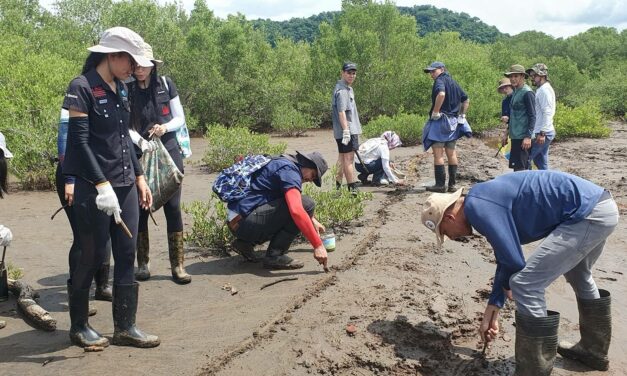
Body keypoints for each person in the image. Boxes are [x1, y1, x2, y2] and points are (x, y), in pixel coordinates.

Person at [421, 170, 618, 374]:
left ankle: (534, 371)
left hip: (586, 215)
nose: (450, 238)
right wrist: (493, 307)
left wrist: (507, 286)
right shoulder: (481, 199)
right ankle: (593, 352)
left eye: (444, 232)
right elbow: (505, 257)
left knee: (525, 284)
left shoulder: (477, 208)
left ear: (450, 217)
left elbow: (514, 262)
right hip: (601, 206)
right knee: (579, 275)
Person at [62, 27, 159, 348]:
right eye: (131, 61)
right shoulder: (82, 87)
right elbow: (79, 141)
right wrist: (100, 184)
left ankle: (125, 326)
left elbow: (125, 137)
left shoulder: (123, 89)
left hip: (126, 183)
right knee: (91, 254)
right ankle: (78, 327)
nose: (135, 69)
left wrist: (140, 176)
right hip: (94, 188)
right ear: (112, 55)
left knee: (127, 252)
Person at [128, 42, 191, 284]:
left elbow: (179, 118)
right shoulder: (127, 89)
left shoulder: (166, 84)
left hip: (169, 149)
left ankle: (178, 266)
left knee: (173, 207)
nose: (140, 70)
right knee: (142, 208)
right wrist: (140, 140)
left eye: (144, 65)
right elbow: (125, 125)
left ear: (153, 66)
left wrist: (164, 127)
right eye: (136, 65)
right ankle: (143, 264)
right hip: (140, 152)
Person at [227, 151, 329, 270]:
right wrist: (318, 245)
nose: (310, 180)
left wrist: (311, 219)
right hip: (245, 222)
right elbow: (297, 210)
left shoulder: (281, 162)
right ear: (307, 164)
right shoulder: (290, 172)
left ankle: (245, 244)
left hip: (236, 222)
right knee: (307, 204)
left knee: (303, 207)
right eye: (313, 175)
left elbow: (281, 199)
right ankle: (275, 256)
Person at [57, 109, 113, 306]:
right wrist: (69, 178)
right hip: (76, 175)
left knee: (105, 233)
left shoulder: (109, 95)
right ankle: (79, 296)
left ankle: (102, 286)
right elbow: (64, 140)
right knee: (82, 237)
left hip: (103, 174)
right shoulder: (76, 97)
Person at [422, 61, 470, 193]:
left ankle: (440, 185)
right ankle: (452, 185)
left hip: (441, 121)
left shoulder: (440, 81)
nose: (431, 74)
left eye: (433, 71)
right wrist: (462, 115)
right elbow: (466, 100)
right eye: (430, 72)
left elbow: (441, 94)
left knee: (438, 154)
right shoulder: (454, 82)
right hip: (454, 122)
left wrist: (436, 111)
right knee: (451, 152)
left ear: (442, 69)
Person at [331, 62, 362, 194]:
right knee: (349, 159)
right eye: (349, 72)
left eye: (354, 73)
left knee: (342, 158)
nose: (351, 75)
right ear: (342, 73)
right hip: (347, 130)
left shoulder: (346, 88)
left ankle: (337, 186)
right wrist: (346, 131)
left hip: (342, 131)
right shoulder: (342, 90)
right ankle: (352, 189)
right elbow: (341, 112)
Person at [503, 64, 535, 172]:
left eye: (515, 76)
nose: (512, 79)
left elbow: (532, 116)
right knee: (517, 168)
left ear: (522, 76)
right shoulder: (516, 91)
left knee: (522, 169)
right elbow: (513, 115)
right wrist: (506, 133)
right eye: (511, 76)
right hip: (515, 136)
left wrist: (528, 137)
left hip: (523, 137)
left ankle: (524, 189)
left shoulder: (527, 93)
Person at [526, 63, 556, 170]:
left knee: (526, 159)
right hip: (543, 131)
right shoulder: (542, 89)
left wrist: (542, 133)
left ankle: (528, 184)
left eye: (534, 75)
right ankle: (546, 185)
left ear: (542, 76)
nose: (532, 78)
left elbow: (547, 112)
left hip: (543, 133)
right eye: (531, 76)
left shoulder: (544, 90)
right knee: (541, 163)